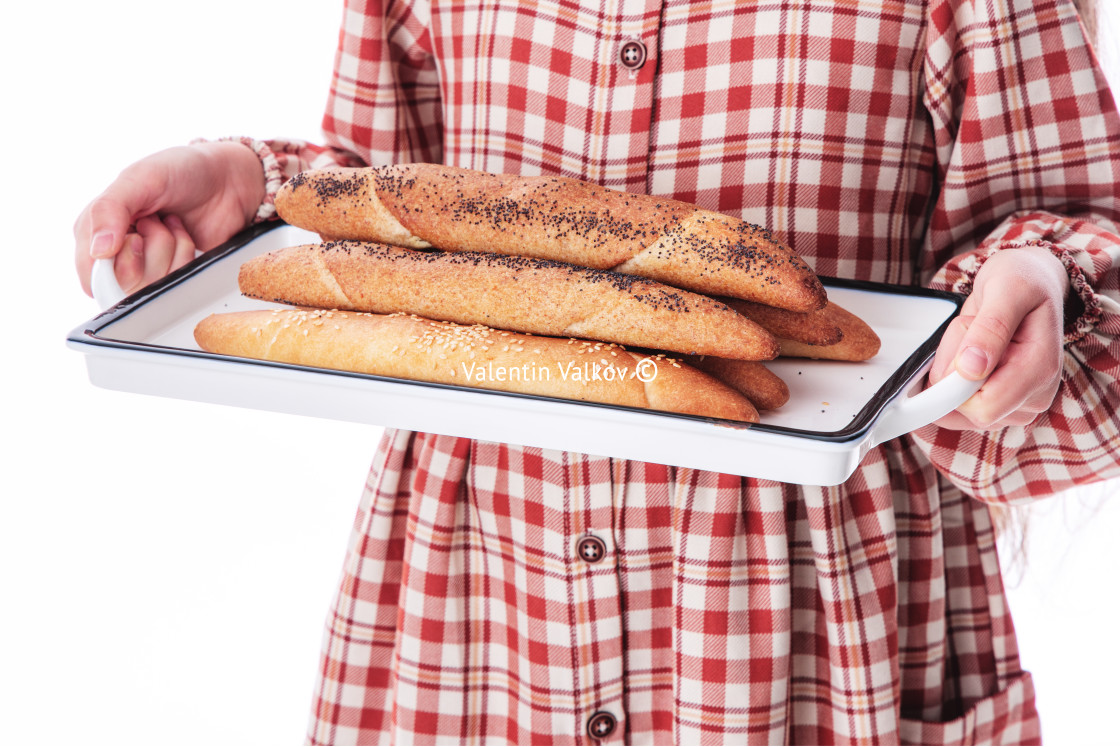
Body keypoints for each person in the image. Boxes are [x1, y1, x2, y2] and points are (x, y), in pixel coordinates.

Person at [74, 0, 1119, 743]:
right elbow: (397, 204)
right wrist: (257, 191)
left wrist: (1040, 284)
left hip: (807, 617)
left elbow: (1075, 233)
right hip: (486, 586)